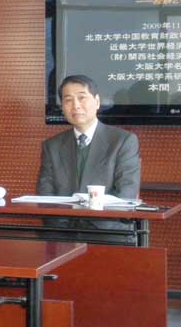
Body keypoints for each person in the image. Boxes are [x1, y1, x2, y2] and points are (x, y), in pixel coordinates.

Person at [37, 74, 141, 242]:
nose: (75, 105)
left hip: (108, 234)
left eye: (82, 97)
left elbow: (126, 193)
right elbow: (45, 194)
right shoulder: (52, 146)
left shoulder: (123, 141)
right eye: (68, 100)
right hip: (61, 234)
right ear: (62, 107)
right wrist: (63, 229)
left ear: (97, 102)